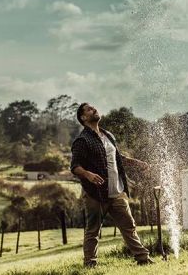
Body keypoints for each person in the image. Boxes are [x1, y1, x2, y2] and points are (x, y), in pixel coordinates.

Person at [70, 102, 154, 267]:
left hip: (117, 192)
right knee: (93, 231)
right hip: (95, 194)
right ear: (83, 117)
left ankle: (143, 259)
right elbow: (74, 166)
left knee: (129, 227)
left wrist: (136, 162)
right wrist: (88, 174)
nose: (94, 109)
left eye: (94, 107)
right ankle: (90, 264)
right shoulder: (82, 140)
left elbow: (118, 157)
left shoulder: (108, 135)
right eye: (89, 109)